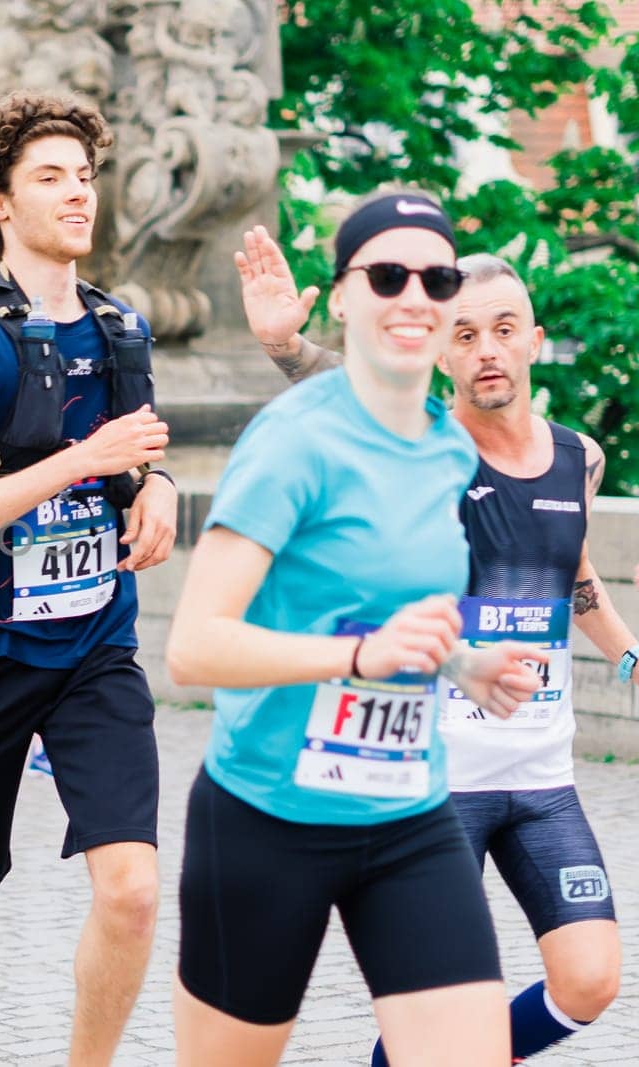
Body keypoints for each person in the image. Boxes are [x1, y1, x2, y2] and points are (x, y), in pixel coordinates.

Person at [165, 193, 548, 1066]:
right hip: (268, 817)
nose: (415, 294)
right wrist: (358, 657)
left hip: (409, 814)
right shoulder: (294, 443)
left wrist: (465, 662)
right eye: (387, 274)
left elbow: (388, 601)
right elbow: (194, 646)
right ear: (340, 296)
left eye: (437, 276)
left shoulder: (448, 447)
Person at [237, 225, 625, 1063]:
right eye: (464, 334)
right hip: (436, 784)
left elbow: (577, 574)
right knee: (442, 1025)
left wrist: (629, 654)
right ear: (442, 353)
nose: (487, 350)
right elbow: (346, 384)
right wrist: (285, 343)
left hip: (543, 778)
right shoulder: (420, 445)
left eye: (504, 328)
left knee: (590, 981)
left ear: (535, 338)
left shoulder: (578, 459)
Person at [0, 90, 177, 1066]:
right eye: (49, 177)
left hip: (95, 645)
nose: (76, 195)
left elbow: (132, 463)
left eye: (85, 176)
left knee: (133, 887)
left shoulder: (121, 329)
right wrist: (78, 460)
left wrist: (158, 492)